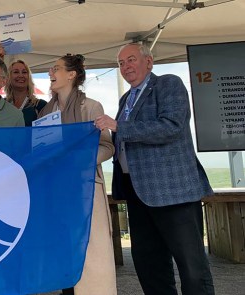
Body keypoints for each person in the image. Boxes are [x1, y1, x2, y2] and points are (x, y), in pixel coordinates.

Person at [94, 43, 214, 295]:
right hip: (137, 193)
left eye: (131, 60)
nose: (126, 66)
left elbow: (170, 126)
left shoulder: (169, 84)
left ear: (148, 62)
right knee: (149, 265)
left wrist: (118, 127)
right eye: (121, 63)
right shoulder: (126, 99)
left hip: (173, 191)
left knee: (191, 266)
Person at [38, 54, 116, 295]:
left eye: (56, 69)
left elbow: (107, 147)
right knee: (64, 253)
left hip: (85, 190)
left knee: (91, 256)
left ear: (71, 74)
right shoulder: (45, 112)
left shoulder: (91, 107)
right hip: (56, 192)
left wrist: (78, 161)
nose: (51, 72)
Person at [0, 44, 47, 126]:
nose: (21, 75)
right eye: (16, 72)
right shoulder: (2, 104)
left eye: (24, 72)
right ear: (9, 77)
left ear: (29, 77)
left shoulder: (40, 105)